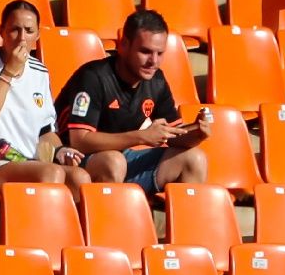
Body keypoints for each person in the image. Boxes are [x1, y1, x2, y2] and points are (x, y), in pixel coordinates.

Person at [57, 10, 211, 193]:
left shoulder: (157, 81)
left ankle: (186, 222)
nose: (153, 61)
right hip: (72, 160)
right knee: (113, 162)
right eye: (145, 51)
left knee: (194, 159)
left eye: (160, 53)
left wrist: (197, 133)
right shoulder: (93, 77)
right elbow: (79, 141)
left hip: (123, 158)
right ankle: (109, 221)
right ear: (123, 45)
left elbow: (173, 135)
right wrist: (141, 136)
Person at [0, 0, 87, 192]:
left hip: (27, 161)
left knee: (80, 178)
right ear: (2, 31)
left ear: (37, 35)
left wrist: (61, 150)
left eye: (28, 31)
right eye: (14, 30)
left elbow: (45, 131)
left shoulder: (40, 71)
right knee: (50, 174)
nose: (21, 38)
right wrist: (8, 72)